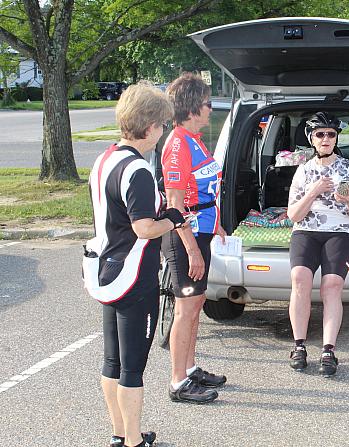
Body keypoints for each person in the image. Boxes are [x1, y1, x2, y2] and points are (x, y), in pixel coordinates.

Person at [84, 82, 184, 447]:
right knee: (132, 368)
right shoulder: (139, 170)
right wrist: (172, 218)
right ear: (152, 126)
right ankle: (133, 442)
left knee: (111, 362)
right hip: (132, 276)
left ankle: (120, 433)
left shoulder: (105, 158)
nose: (164, 131)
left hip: (105, 270)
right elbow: (144, 228)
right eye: (163, 124)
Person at [162, 73, 226, 404]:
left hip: (202, 231)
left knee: (196, 304)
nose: (211, 109)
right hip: (185, 238)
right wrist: (191, 250)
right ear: (191, 107)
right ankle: (177, 382)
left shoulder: (194, 138)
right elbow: (174, 205)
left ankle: (189, 367)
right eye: (207, 103)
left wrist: (216, 225)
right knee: (186, 309)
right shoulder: (177, 144)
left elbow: (202, 192)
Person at [286, 112, 349, 377]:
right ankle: (298, 346)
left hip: (340, 231)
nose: (326, 139)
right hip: (306, 230)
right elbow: (294, 215)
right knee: (300, 278)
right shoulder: (303, 170)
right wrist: (314, 191)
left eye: (331, 134)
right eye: (320, 134)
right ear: (312, 139)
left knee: (332, 285)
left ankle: (328, 350)